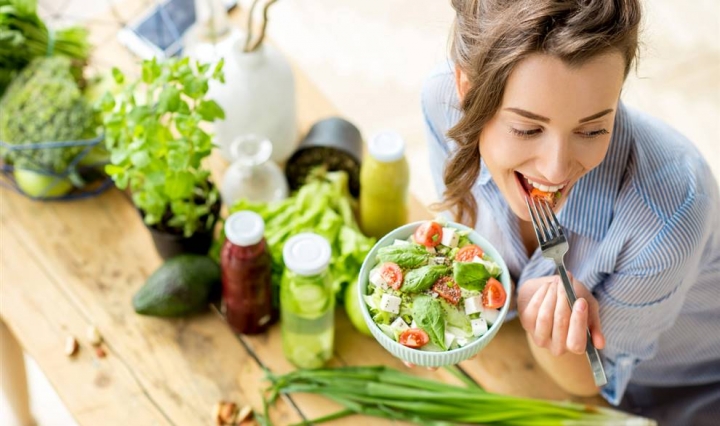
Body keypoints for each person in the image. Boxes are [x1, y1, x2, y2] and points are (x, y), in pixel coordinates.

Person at [421, 1, 720, 424]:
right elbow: (466, 241)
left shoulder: (671, 214)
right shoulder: (442, 101)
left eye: (593, 128)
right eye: (527, 129)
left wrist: (548, 327)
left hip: (683, 390)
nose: (557, 169)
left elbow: (590, 382)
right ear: (467, 92)